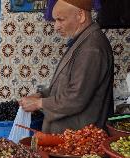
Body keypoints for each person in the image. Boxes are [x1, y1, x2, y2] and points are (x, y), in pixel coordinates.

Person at [19, 0, 114, 134]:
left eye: (61, 19)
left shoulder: (92, 49)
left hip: (79, 140)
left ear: (80, 16)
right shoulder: (82, 41)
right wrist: (40, 95)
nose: (56, 26)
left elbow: (76, 98)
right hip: (67, 137)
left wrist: (39, 103)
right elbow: (66, 85)